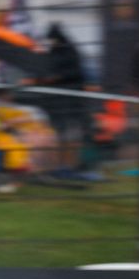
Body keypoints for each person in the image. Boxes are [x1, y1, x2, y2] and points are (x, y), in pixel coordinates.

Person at [37, 23, 89, 175]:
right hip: (57, 103)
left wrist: (58, 77)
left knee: (71, 135)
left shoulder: (70, 52)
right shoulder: (55, 51)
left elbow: (75, 73)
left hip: (72, 101)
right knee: (60, 134)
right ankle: (59, 166)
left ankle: (70, 166)